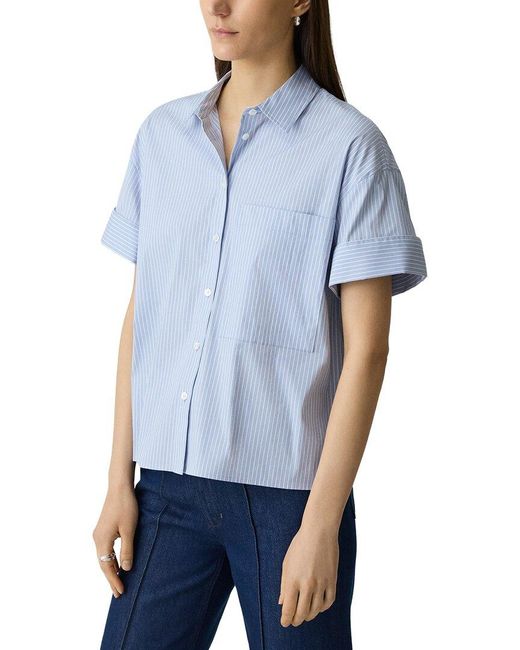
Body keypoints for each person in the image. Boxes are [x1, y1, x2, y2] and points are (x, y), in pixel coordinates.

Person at [93, 1, 428, 648]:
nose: (217, 6)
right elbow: (144, 316)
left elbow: (368, 351)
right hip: (165, 491)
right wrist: (117, 482)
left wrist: (321, 522)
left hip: (290, 502)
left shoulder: (350, 149)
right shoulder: (161, 136)